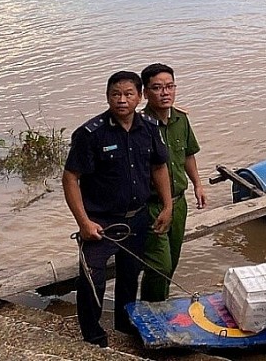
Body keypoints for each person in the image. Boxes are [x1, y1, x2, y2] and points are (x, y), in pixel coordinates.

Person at [62, 71, 172, 347]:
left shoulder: (149, 127)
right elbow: (70, 178)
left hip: (136, 219)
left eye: (128, 94)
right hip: (100, 222)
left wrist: (168, 205)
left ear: (140, 96)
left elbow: (159, 167)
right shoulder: (91, 133)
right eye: (115, 94)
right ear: (108, 96)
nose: (122, 100)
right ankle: (92, 334)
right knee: (92, 280)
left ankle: (125, 324)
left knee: (129, 276)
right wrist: (84, 222)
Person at [139, 63, 207, 302]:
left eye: (169, 86)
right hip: (152, 205)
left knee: (173, 260)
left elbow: (188, 154)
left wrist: (197, 184)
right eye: (157, 88)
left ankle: (161, 304)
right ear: (145, 93)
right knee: (160, 265)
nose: (165, 92)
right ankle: (152, 309)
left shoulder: (180, 119)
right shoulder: (138, 126)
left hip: (179, 203)